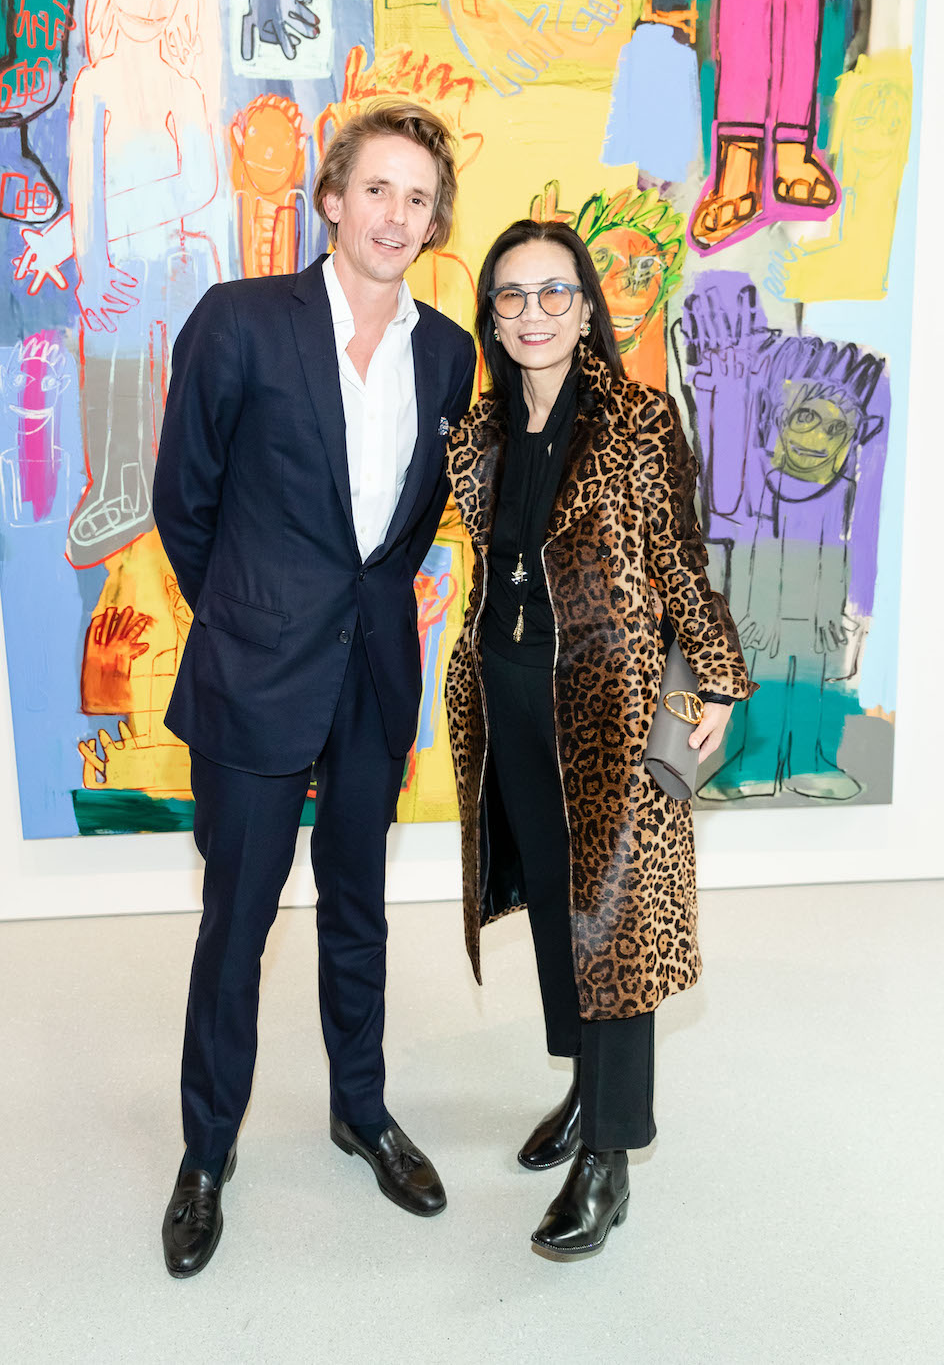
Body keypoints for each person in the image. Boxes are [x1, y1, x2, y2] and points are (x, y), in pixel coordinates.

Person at [153, 102, 476, 1278]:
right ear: (331, 199)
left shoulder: (449, 353)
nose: (395, 214)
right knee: (236, 924)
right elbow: (183, 501)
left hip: (374, 670)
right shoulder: (240, 320)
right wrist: (252, 610)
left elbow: (411, 523)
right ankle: (205, 1155)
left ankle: (362, 1110)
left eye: (417, 198)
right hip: (255, 669)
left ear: (434, 223)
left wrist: (354, 611)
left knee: (358, 908)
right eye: (376, 188)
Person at [444, 219, 754, 1259]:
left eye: (554, 292)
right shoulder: (481, 433)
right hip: (509, 697)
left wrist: (715, 673)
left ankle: (609, 1159)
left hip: (610, 708)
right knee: (552, 904)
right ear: (492, 317)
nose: (533, 312)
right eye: (512, 295)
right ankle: (584, 1088)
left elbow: (679, 558)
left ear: (585, 310)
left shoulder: (635, 419)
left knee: (614, 923)